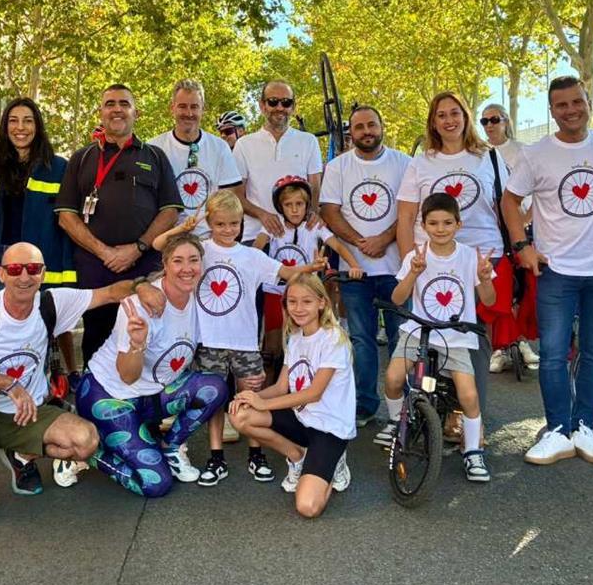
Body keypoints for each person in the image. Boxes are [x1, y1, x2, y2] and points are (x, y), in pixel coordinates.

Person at [0, 243, 151, 531]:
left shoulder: (52, 303)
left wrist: (145, 286)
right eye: (15, 269)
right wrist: (8, 384)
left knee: (86, 441)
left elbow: (112, 292)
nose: (24, 277)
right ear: (1, 273)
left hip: (29, 414)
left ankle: (21, 455)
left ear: (44, 273)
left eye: (33, 269)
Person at [150, 190, 326, 487]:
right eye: (220, 224)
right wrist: (183, 229)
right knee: (215, 400)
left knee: (251, 397)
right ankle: (216, 456)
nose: (228, 230)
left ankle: (256, 453)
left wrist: (312, 267)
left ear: (242, 223)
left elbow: (287, 272)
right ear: (210, 222)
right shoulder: (200, 250)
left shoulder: (251, 256)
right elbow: (159, 245)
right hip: (209, 341)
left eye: (234, 224)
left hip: (244, 342)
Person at [500, 76, 593, 466]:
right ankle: (557, 429)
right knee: (553, 354)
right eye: (562, 105)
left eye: (577, 101)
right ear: (551, 111)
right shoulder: (535, 154)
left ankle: (584, 426)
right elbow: (509, 200)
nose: (571, 110)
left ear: (589, 102)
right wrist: (522, 246)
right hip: (556, 270)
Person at [75, 233, 229, 498]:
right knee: (155, 483)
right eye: (178, 261)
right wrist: (137, 344)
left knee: (215, 387)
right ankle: (84, 452)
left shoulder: (200, 299)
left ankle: (170, 447)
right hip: (110, 397)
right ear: (165, 264)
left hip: (151, 397)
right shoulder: (140, 306)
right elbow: (127, 376)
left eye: (193, 260)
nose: (187, 268)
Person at [395, 92, 506, 416]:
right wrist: (410, 262)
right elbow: (406, 215)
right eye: (441, 115)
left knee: (474, 340)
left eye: (455, 113)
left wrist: (521, 245)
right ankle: (426, 414)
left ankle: (469, 415)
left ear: (466, 116)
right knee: (426, 336)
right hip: (429, 262)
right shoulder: (421, 162)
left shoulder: (489, 157)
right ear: (433, 121)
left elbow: (508, 206)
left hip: (480, 258)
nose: (449, 120)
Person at [56, 84, 183, 362]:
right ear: (100, 112)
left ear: (136, 112)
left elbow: (170, 211)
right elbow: (66, 216)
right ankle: (95, 389)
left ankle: (146, 388)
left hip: (145, 268)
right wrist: (105, 252)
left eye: (124, 104)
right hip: (95, 269)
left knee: (147, 335)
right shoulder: (81, 158)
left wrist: (137, 249)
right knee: (96, 340)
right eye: (110, 103)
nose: (117, 109)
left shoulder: (155, 156)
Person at [378, 193, 496, 482]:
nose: (440, 229)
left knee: (469, 395)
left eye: (447, 223)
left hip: (456, 336)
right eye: (433, 223)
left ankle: (473, 451)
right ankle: (396, 423)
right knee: (393, 378)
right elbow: (397, 298)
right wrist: (413, 273)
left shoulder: (469, 256)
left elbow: (489, 301)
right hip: (418, 329)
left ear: (458, 224)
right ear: (423, 225)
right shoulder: (415, 256)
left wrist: (485, 278)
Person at [229, 273, 355, 518]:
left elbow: (314, 393)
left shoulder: (333, 339)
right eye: (292, 301)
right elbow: (280, 387)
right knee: (240, 415)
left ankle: (335, 463)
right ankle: (297, 457)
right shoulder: (295, 338)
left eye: (306, 301)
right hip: (301, 419)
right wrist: (247, 397)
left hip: (329, 427)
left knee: (308, 507)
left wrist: (262, 403)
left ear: (321, 303)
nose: (298, 308)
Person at [0, 97, 82, 380]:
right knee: (5, 323)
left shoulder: (57, 167)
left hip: (41, 253)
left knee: (51, 317)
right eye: (13, 121)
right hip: (0, 257)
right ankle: (9, 379)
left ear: (38, 126)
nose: (20, 128)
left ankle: (67, 374)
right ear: (4, 126)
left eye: (27, 121)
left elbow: (67, 217)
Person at [319, 106, 412, 425]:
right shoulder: (337, 167)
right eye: (359, 127)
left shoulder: (404, 163)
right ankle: (365, 404)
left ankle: (407, 405)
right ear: (351, 132)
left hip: (398, 269)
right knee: (361, 339)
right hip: (354, 269)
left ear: (382, 126)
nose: (366, 131)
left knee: (403, 337)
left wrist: (384, 238)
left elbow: (410, 210)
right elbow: (329, 211)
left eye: (372, 124)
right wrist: (360, 242)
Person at [256, 176, 361, 386]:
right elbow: (255, 252)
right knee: (272, 348)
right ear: (280, 207)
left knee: (304, 341)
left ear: (307, 205)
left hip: (305, 294)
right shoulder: (273, 227)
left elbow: (338, 246)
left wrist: (354, 265)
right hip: (275, 292)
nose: (294, 210)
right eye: (288, 205)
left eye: (300, 204)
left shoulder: (314, 227)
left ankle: (302, 387)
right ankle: (269, 392)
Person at [478, 103, 538, 372]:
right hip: (494, 231)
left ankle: (522, 342)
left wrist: (524, 222)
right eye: (484, 121)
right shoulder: (480, 153)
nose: (489, 125)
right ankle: (499, 347)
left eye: (495, 119)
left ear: (506, 121)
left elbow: (538, 192)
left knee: (523, 287)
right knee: (500, 288)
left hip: (523, 229)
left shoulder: (523, 151)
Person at [148, 79, 245, 239]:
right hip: (167, 240)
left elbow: (231, 198)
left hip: (209, 240)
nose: (189, 113)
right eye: (182, 106)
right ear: (172, 108)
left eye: (194, 107)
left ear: (203, 109)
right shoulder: (153, 148)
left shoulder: (219, 147)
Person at [233, 80, 323, 241]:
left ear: (293, 107)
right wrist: (262, 215)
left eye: (286, 102)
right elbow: (236, 195)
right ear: (262, 105)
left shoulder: (309, 141)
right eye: (273, 102)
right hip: (256, 236)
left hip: (299, 238)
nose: (280, 107)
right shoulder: (244, 144)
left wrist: (312, 214)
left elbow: (315, 189)